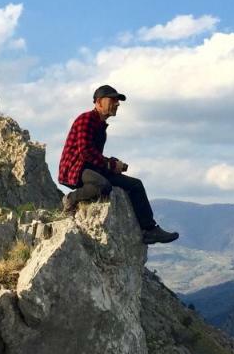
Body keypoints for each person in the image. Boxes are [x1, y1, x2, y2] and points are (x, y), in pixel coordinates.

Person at [58, 85, 179, 244]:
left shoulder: (101, 126)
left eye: (117, 100)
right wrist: (110, 165)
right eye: (113, 100)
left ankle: (149, 229)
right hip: (75, 168)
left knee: (135, 185)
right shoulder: (86, 119)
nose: (117, 104)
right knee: (103, 186)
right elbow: (85, 152)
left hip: (91, 167)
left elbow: (93, 154)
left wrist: (113, 164)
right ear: (99, 102)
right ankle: (71, 199)